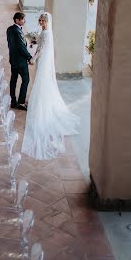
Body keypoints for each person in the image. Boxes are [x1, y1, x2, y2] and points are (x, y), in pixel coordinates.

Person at [21, 12, 80, 160]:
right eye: (40, 20)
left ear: (46, 21)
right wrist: (34, 41)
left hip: (43, 61)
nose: (40, 22)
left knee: (41, 81)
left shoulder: (47, 33)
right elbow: (40, 45)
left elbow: (41, 49)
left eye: (42, 20)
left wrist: (33, 58)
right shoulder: (45, 32)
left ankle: (41, 103)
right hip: (44, 60)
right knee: (40, 81)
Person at [6, 12, 34, 111]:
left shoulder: (10, 29)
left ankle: (13, 101)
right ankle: (21, 102)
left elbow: (14, 45)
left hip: (13, 59)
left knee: (13, 79)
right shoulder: (17, 31)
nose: (24, 21)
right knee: (26, 80)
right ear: (17, 20)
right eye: (23, 19)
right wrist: (29, 57)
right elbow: (21, 47)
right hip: (20, 61)